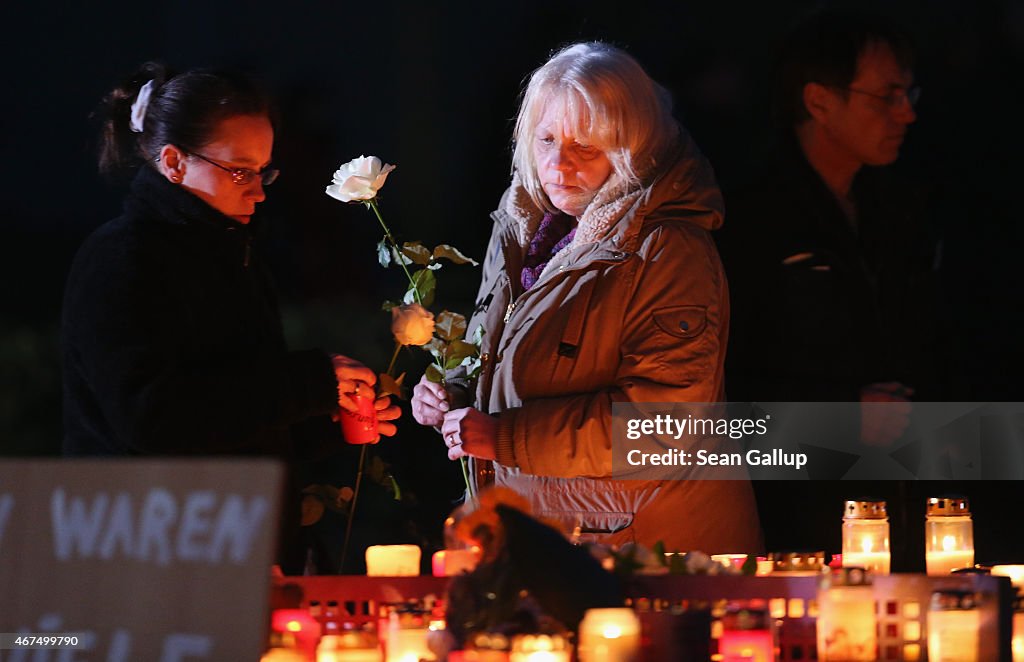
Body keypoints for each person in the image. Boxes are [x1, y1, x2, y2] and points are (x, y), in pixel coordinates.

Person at [412, 42, 761, 553]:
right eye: (547, 138)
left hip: (648, 550)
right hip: (548, 535)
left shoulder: (667, 250)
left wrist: (504, 437)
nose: (558, 163)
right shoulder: (524, 228)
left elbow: (663, 426)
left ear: (633, 149)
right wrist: (452, 389)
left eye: (586, 147)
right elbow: (503, 351)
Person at [62, 62, 400, 571]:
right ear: (173, 161)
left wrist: (325, 418)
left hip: (230, 546)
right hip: (150, 559)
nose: (259, 191)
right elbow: (154, 420)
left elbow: (233, 416)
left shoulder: (232, 253)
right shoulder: (123, 259)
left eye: (264, 171)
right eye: (241, 171)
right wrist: (307, 386)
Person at [718, 10, 942, 566]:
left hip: (901, 495)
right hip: (797, 511)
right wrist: (839, 414)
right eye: (886, 96)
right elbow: (720, 383)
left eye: (908, 91)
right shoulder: (750, 219)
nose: (906, 113)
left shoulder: (903, 208)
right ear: (818, 101)